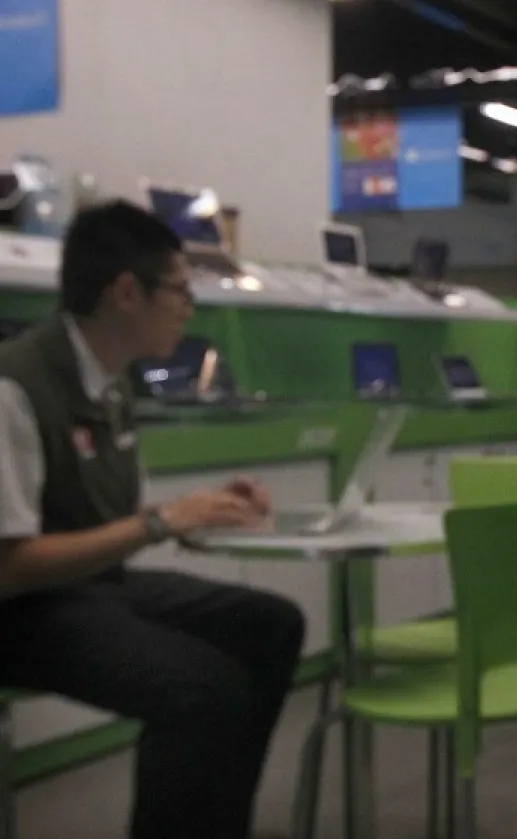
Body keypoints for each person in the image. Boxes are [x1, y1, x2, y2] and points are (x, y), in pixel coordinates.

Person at [0, 201, 306, 839]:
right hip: (22, 610)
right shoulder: (16, 388)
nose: (188, 308)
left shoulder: (112, 385)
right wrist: (161, 523)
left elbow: (114, 521)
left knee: (271, 626)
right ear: (127, 292)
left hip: (88, 592)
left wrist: (204, 509)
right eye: (181, 291)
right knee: (202, 689)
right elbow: (11, 566)